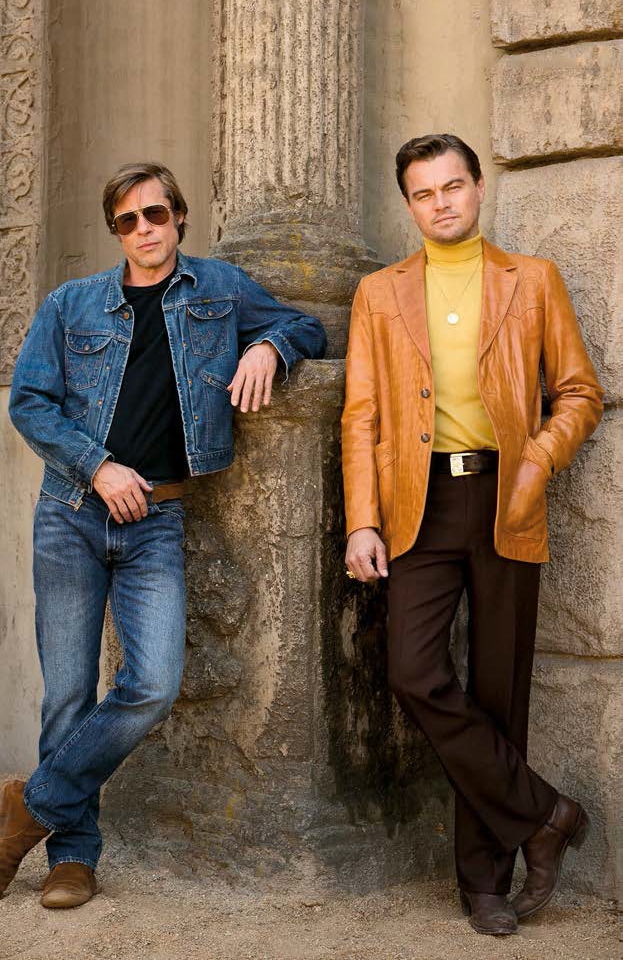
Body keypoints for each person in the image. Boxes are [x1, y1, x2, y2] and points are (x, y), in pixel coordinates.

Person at [3, 161, 326, 909]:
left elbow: (305, 324)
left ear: (179, 216)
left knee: (153, 683)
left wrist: (267, 347)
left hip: (157, 519)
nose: (144, 229)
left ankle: (28, 808)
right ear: (115, 231)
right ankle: (72, 859)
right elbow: (30, 402)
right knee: (68, 694)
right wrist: (99, 466)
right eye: (128, 220)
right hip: (71, 514)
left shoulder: (220, 289)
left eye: (155, 214)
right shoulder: (71, 304)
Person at [341, 134, 602, 937]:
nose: (440, 203)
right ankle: (546, 814)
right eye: (423, 193)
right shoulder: (378, 293)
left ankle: (484, 883)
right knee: (413, 673)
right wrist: (361, 519)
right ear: (409, 205)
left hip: (505, 499)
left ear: (478, 188)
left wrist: (536, 463)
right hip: (415, 504)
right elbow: (361, 416)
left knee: (498, 689)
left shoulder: (532, 280)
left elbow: (579, 392)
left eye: (451, 186)